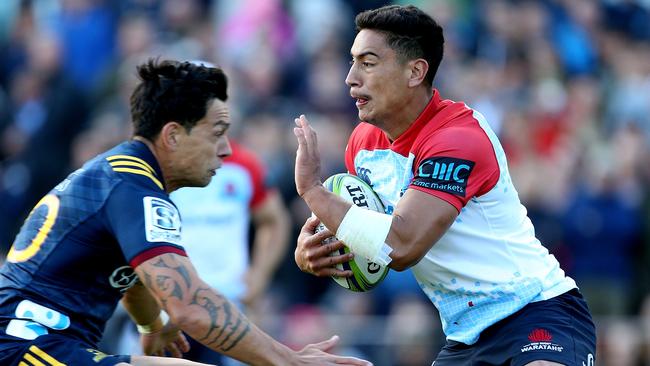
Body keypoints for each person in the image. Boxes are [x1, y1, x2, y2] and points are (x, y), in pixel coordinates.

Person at [0, 58, 372, 366]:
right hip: (28, 345)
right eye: (217, 133)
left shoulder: (125, 177)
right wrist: (286, 360)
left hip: (40, 343)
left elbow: (130, 273)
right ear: (173, 135)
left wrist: (151, 325)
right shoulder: (134, 190)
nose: (226, 150)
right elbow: (191, 306)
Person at [292, 5, 596, 366]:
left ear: (415, 71)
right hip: (463, 335)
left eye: (368, 63)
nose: (350, 77)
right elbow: (367, 232)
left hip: (536, 311)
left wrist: (313, 190)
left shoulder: (458, 138)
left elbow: (401, 244)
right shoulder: (363, 143)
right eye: (352, 61)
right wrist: (313, 250)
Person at [171, 137, 291, 364]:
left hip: (229, 302)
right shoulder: (166, 164)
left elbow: (274, 221)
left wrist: (259, 275)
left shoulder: (245, 164)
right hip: (171, 302)